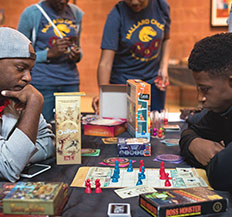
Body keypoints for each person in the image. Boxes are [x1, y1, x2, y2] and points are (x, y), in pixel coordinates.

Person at [92, 0, 171, 113]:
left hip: (152, 84)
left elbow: (167, 39)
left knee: (153, 126)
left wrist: (163, 67)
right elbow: (105, 63)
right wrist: (103, 94)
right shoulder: (117, 14)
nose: (134, 2)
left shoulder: (161, 6)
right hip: (124, 85)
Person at [0, 27, 55, 182]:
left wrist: (15, 153)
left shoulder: (14, 98)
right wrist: (34, 104)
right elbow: (8, 168)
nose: (28, 78)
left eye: (30, 70)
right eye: (20, 68)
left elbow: (49, 144)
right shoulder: (29, 100)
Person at [179, 33, 232, 191]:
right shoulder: (223, 108)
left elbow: (220, 175)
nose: (200, 98)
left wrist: (217, 162)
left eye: (205, 89)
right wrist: (195, 144)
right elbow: (191, 130)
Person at [18, 0, 84, 122]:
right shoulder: (32, 13)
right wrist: (48, 54)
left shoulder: (76, 13)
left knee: (70, 128)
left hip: (70, 81)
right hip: (43, 81)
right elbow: (20, 54)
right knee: (42, 127)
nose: (63, 1)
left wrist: (77, 55)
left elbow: (78, 46)